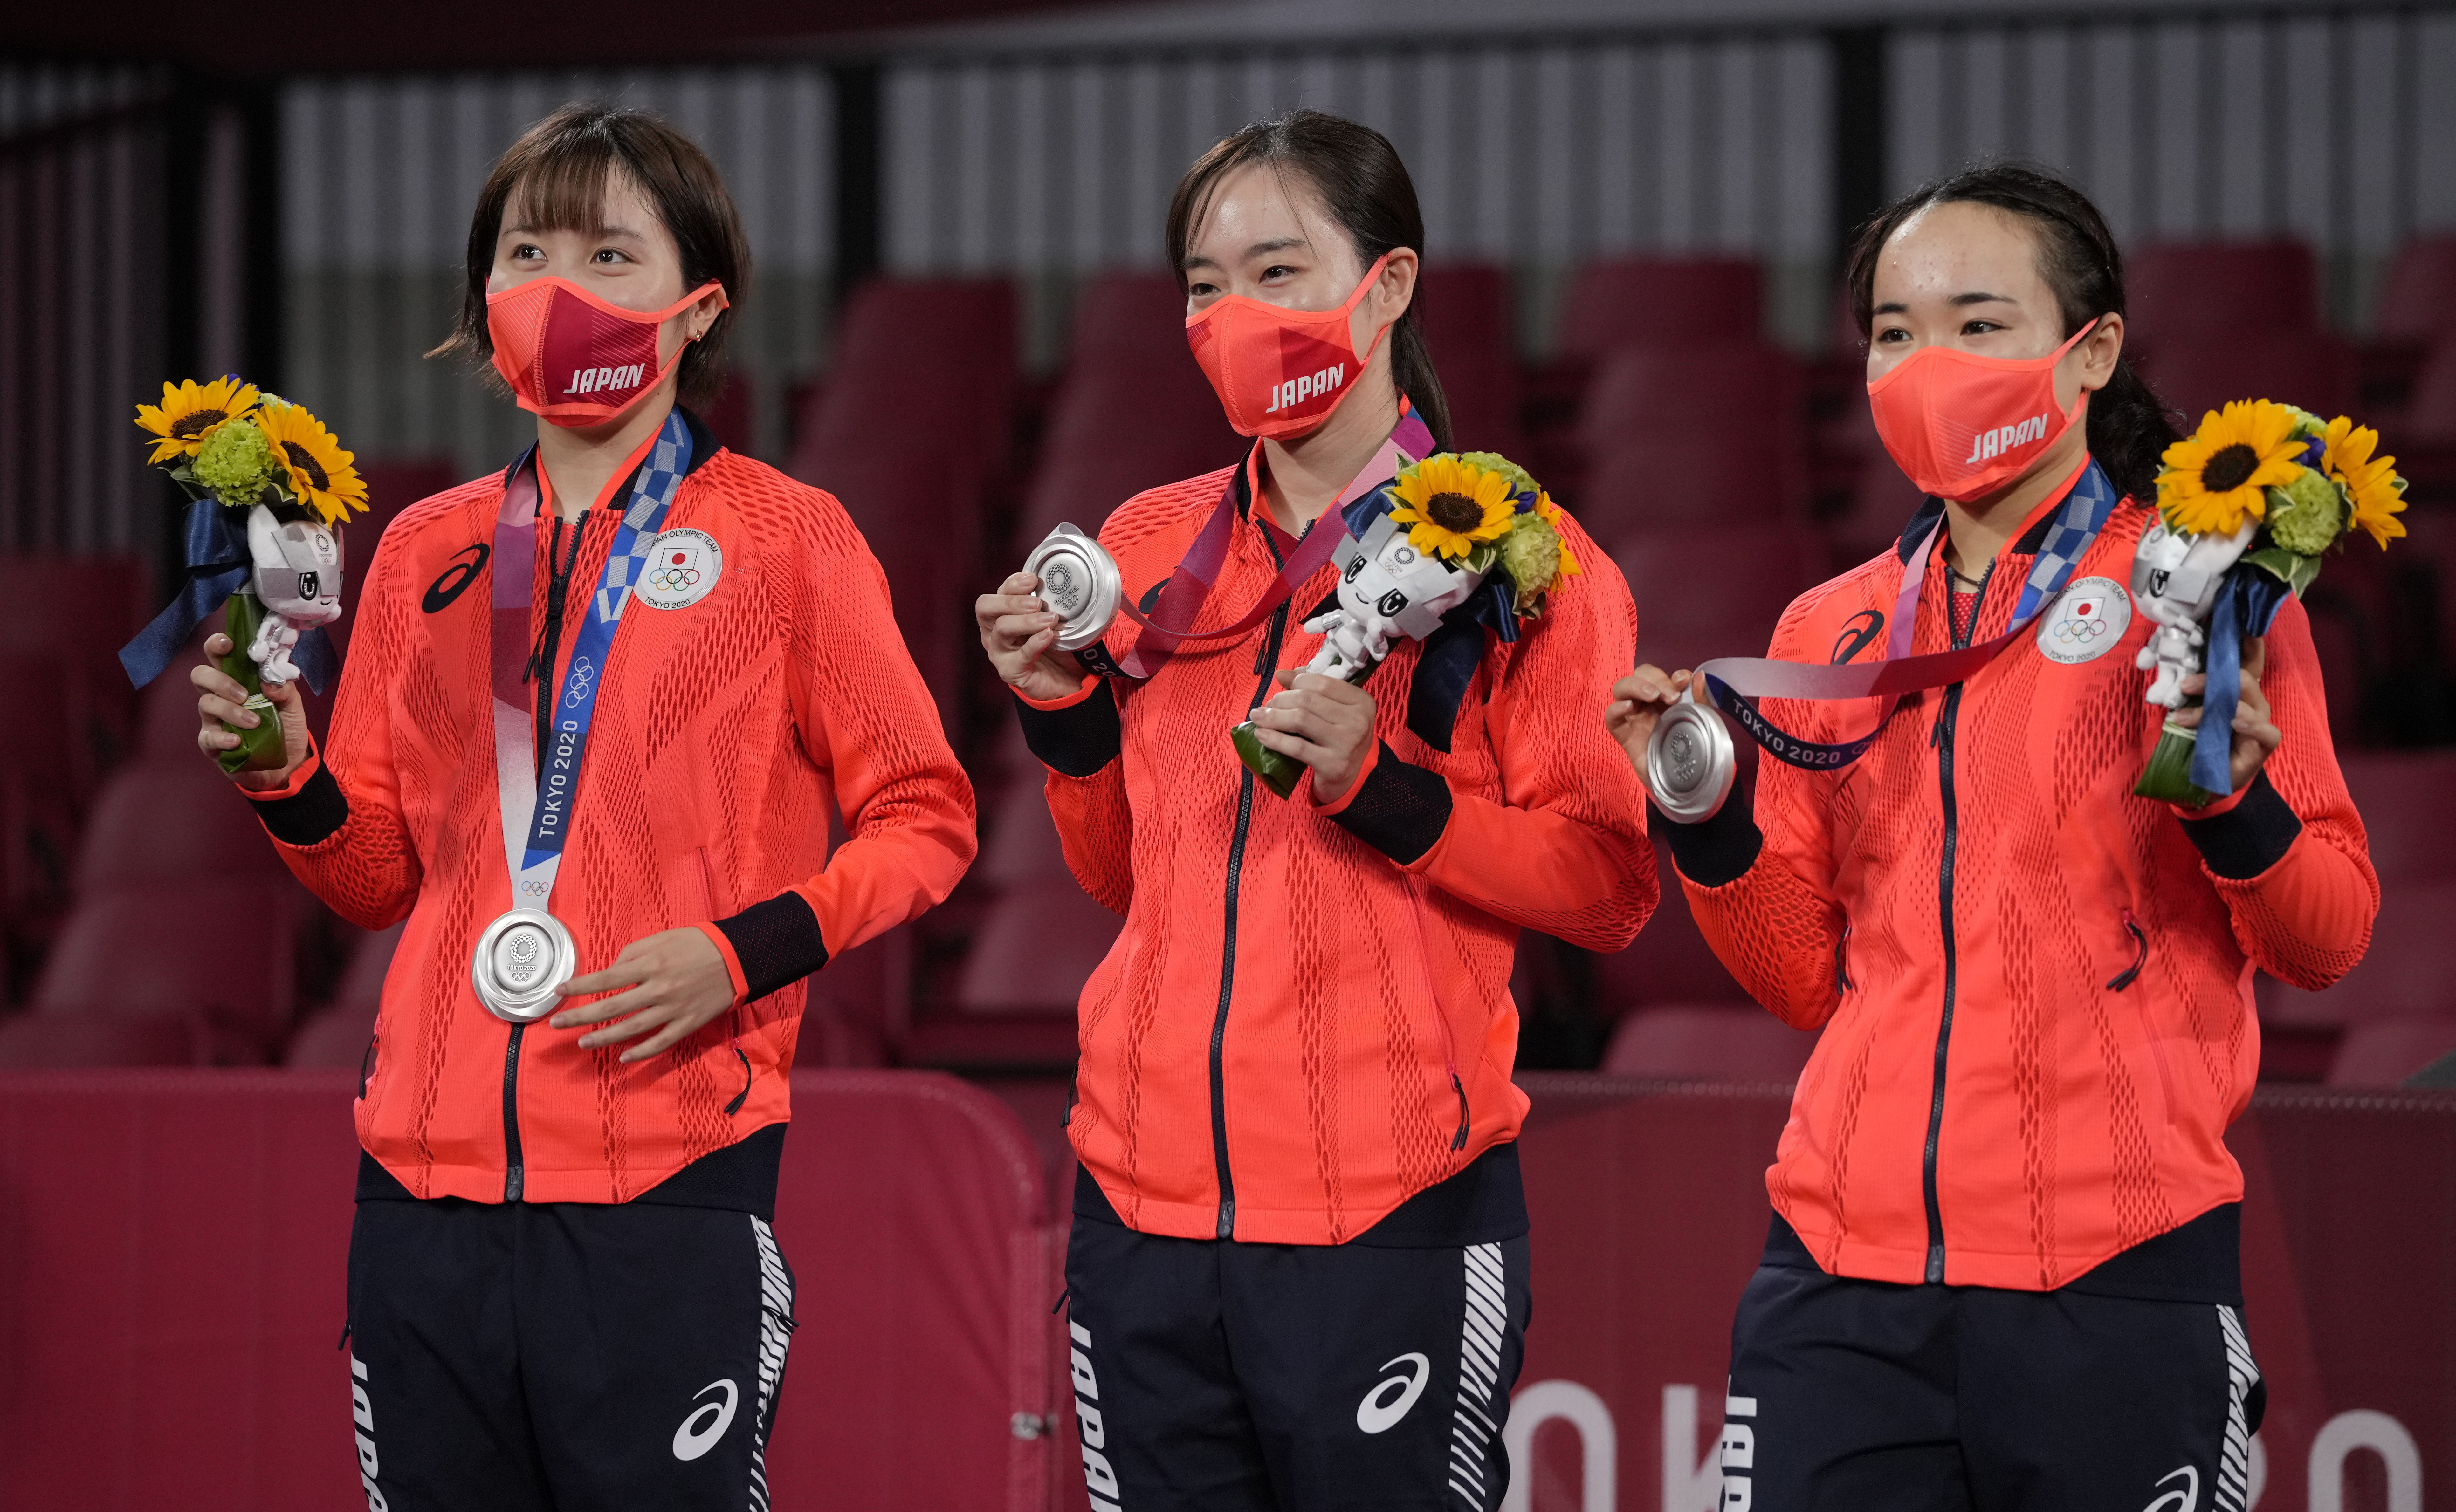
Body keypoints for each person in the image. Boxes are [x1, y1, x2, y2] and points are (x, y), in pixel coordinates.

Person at [190, 102, 977, 1509]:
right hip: (421, 1197)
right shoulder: (425, 551)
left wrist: (739, 953)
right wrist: (283, 778)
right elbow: (377, 877)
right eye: (526, 250)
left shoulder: (789, 541)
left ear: (699, 307)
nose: (561, 288)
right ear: (483, 301)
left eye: (613, 253)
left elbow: (926, 817)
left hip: (664, 1182)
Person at [1606, 162, 2379, 1511]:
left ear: (2089, 354)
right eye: (1894, 333)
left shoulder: (2199, 594)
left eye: (1977, 324)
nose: (1926, 364)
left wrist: (2233, 802)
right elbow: (1801, 978)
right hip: (1840, 1278)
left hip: (2116, 1273)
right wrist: (1708, 817)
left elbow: (2328, 940)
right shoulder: (1829, 632)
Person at [976, 110, 1657, 1511]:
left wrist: (1385, 793)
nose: (1234, 314)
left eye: (1279, 272)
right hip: (1141, 1212)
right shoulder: (1146, 548)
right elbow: (1121, 878)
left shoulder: (1530, 562)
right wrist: (1061, 712)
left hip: (1386, 1214)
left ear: (1389, 283)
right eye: (1204, 285)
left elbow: (1608, 887)